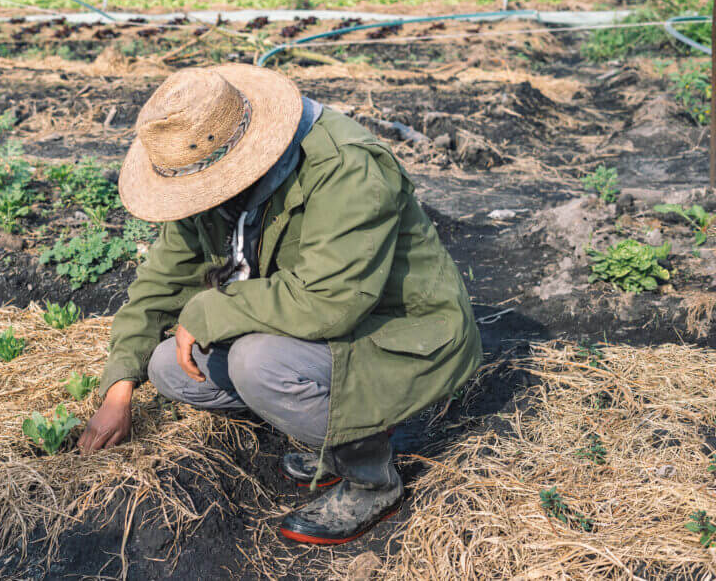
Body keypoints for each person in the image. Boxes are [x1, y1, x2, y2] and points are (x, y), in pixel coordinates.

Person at [76, 64, 482, 545]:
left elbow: (331, 302)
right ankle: (329, 432)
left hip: (400, 331)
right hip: (318, 327)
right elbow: (160, 283)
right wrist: (119, 389)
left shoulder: (345, 167)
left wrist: (211, 310)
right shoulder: (204, 166)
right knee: (167, 367)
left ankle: (371, 478)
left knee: (257, 364)